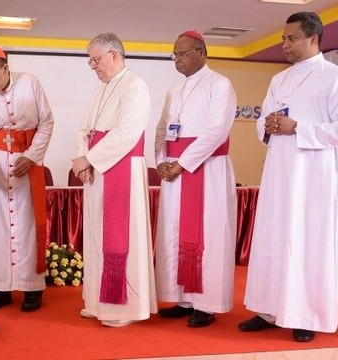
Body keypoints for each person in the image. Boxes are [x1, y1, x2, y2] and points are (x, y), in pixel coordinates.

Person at [239, 12, 338, 342]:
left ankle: (306, 315)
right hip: (279, 170)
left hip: (313, 175)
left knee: (306, 242)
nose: (285, 44)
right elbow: (264, 120)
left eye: (292, 38)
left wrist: (297, 126)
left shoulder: (334, 77)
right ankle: (269, 309)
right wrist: (268, 126)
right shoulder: (279, 79)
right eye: (284, 39)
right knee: (273, 239)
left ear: (313, 39)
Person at [71, 32, 157, 327]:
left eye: (95, 60)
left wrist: (91, 159)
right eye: (90, 61)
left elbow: (127, 133)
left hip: (122, 170)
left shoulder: (135, 86)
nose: (92, 66)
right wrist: (83, 159)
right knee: (97, 237)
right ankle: (98, 303)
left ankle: (124, 308)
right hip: (98, 172)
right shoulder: (101, 89)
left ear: (114, 55)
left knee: (119, 237)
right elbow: (84, 129)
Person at [154, 30, 237, 327]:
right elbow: (162, 129)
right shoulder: (173, 91)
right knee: (174, 234)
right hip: (176, 170)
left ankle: (206, 303)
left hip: (207, 169)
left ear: (201, 52)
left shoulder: (220, 85)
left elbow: (217, 131)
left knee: (209, 235)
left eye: (184, 53)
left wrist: (183, 163)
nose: (178, 60)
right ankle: (183, 298)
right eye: (175, 55)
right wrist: (161, 161)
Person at [0, 45, 54, 312]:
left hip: (28, 164)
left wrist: (32, 155)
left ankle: (32, 287)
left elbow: (47, 122)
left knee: (26, 225)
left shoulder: (30, 83)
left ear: (5, 69)